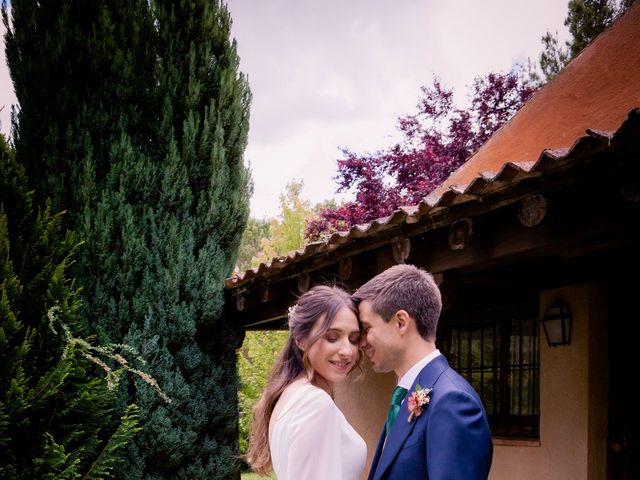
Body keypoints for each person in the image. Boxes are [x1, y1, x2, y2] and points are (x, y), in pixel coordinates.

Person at [354, 264, 493, 480]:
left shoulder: (453, 402)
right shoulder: (404, 395)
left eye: (366, 328)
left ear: (401, 322)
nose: (361, 343)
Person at [246, 285, 366, 480]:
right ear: (300, 339)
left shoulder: (290, 394)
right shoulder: (315, 403)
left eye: (353, 339)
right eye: (332, 337)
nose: (347, 351)